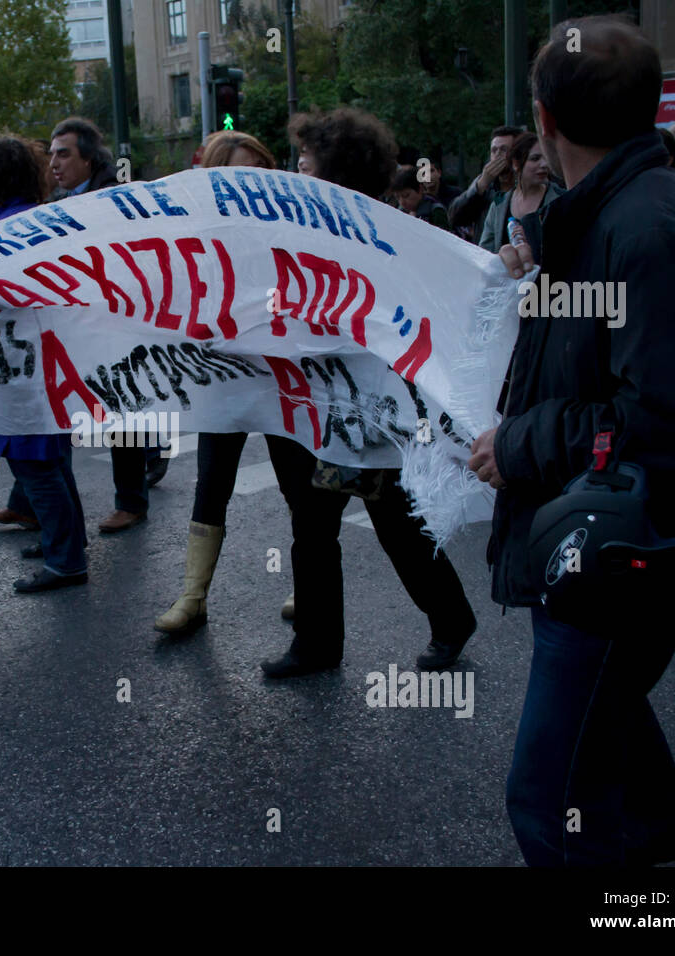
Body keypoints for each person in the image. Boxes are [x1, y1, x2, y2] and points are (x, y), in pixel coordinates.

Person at [479, 16, 675, 866]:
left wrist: (520, 443)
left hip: (623, 555)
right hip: (596, 538)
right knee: (605, 718)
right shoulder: (609, 211)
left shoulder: (645, 230)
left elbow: (671, 418)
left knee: (549, 799)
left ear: (546, 121)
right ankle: (658, 835)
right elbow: (600, 363)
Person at [261, 107, 477, 679]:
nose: (296, 173)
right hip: (305, 406)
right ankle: (316, 644)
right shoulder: (292, 229)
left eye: (305, 164)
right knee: (311, 526)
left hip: (367, 411)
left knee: (396, 524)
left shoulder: (387, 234)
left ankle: (451, 619)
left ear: (338, 170)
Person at [155, 130, 298, 634]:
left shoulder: (291, 224)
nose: (254, 180)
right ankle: (193, 597)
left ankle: (310, 583)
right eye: (241, 172)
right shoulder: (196, 236)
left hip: (284, 373)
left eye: (261, 168)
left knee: (298, 486)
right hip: (226, 375)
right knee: (212, 482)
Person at [0, 135, 89, 593]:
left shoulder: (3, 228)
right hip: (48, 361)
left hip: (19, 367)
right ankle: (65, 545)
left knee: (36, 465)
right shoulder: (38, 221)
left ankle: (66, 560)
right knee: (52, 460)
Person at [50, 115, 169, 525]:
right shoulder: (59, 202)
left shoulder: (112, 196)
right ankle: (28, 502)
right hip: (79, 319)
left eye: (63, 154)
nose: (54, 163)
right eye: (51, 155)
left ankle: (131, 502)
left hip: (116, 318)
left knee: (120, 406)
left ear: (87, 158)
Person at [479, 132, 565, 252]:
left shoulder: (561, 200)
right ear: (516, 163)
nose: (544, 164)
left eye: (546, 157)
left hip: (547, 271)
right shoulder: (499, 206)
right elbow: (484, 254)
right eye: (535, 159)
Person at [448, 125, 524, 243]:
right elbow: (455, 218)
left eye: (504, 150)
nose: (497, 155)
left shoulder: (527, 183)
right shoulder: (485, 184)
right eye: (494, 150)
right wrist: (480, 186)